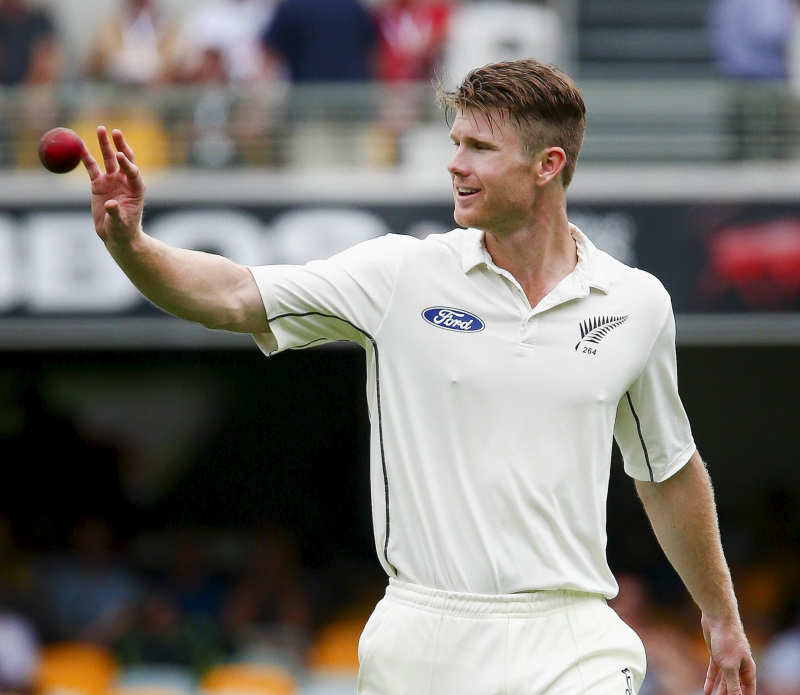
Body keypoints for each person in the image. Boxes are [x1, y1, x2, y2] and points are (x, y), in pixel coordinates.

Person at [79, 60, 756, 694]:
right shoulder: (400, 275)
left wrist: (721, 614)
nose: (455, 165)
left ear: (549, 164)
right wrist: (133, 247)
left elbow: (666, 470)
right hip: (423, 636)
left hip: (572, 636)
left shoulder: (635, 302)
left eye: (480, 149)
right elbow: (232, 294)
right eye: (456, 142)